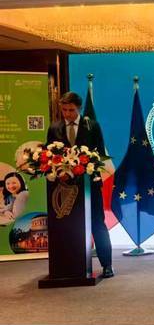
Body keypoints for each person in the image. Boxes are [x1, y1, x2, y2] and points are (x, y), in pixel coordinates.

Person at [46, 91, 114, 278]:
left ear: (79, 108)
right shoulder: (54, 128)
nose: (67, 114)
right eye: (64, 110)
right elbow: (50, 156)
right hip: (64, 186)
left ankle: (107, 264)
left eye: (71, 110)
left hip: (89, 185)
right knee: (69, 225)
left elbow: (100, 154)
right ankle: (69, 263)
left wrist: (88, 166)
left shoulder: (92, 126)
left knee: (97, 224)